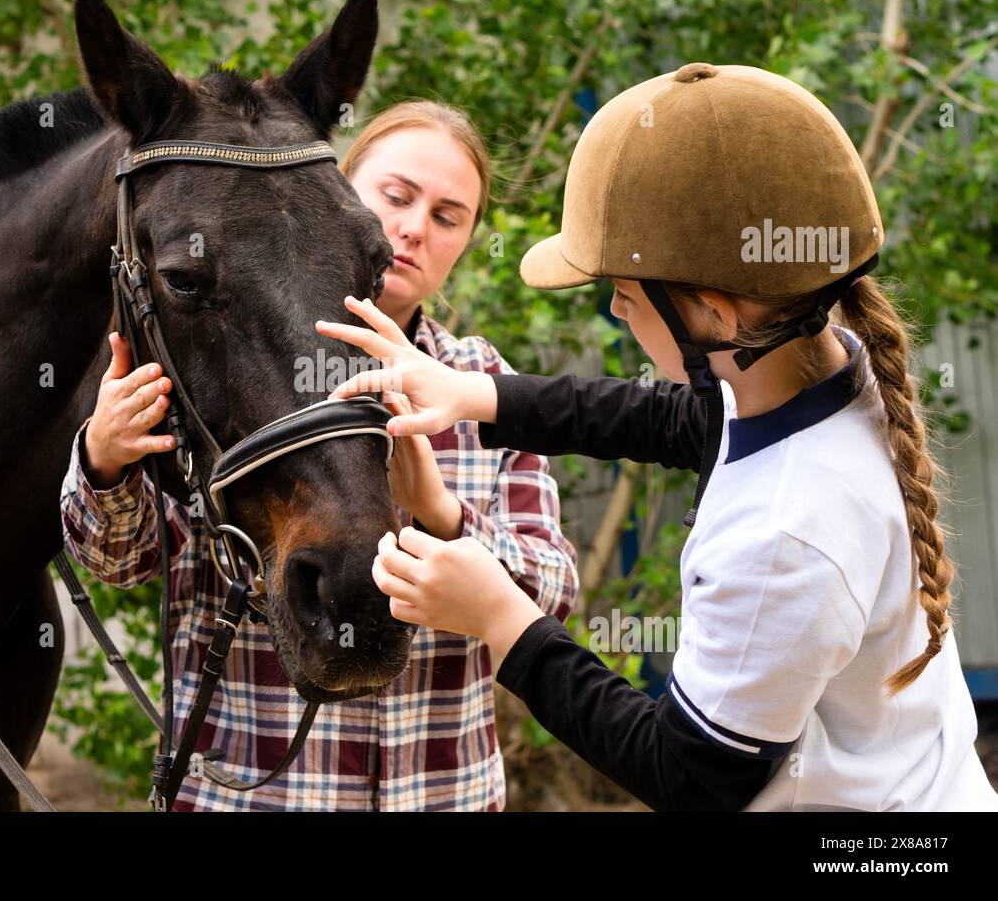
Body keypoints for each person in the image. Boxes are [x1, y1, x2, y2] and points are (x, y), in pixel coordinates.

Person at [317, 63, 998, 811]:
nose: (614, 310)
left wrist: (500, 615)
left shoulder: (787, 532)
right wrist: (472, 394)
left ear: (714, 316)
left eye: (628, 295)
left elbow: (684, 773)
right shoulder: (809, 370)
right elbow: (665, 418)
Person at [60, 100, 577, 811]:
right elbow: (118, 563)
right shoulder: (225, 355)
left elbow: (553, 595)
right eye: (395, 197)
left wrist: (441, 512)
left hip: (439, 795)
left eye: (448, 216)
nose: (414, 228)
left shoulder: (484, 385)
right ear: (334, 193)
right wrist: (105, 458)